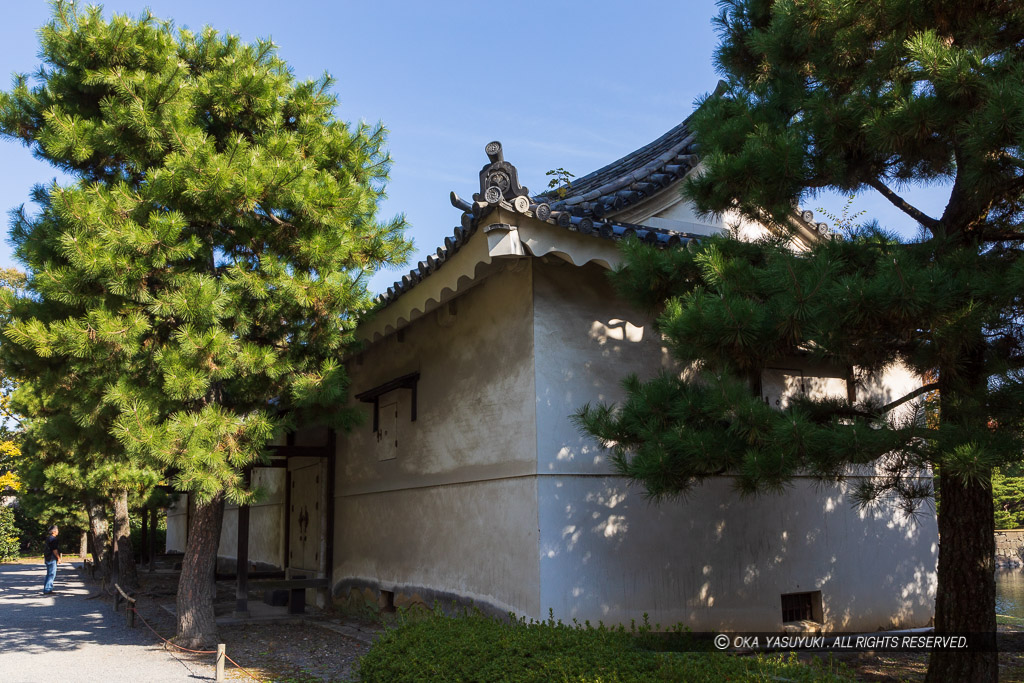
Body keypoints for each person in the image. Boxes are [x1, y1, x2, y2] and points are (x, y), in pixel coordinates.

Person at [42, 525, 61, 594]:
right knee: (52, 574)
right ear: (54, 531)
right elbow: (54, 550)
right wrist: (58, 558)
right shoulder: (54, 539)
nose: (58, 531)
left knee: (49, 574)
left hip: (47, 557)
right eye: (57, 530)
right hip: (52, 558)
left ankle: (47, 588)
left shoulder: (48, 538)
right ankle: (48, 589)